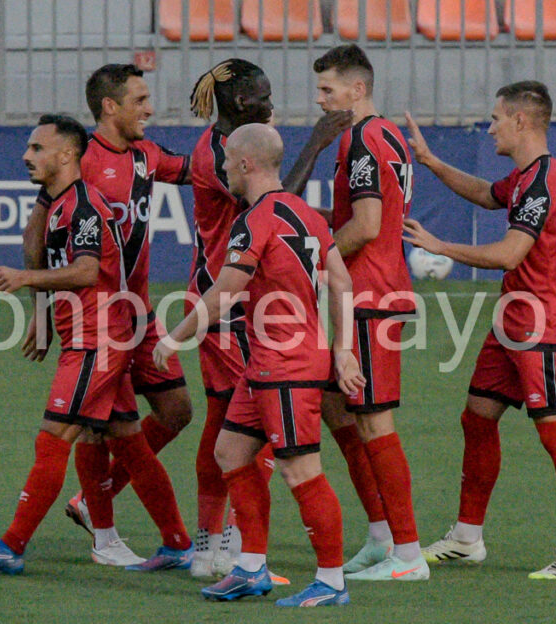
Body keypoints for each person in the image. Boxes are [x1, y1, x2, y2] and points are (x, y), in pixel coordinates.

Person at [0, 114, 190, 574]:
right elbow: (43, 246)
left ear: (66, 155)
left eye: (37, 148)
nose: (27, 155)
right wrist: (42, 310)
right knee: (130, 444)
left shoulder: (83, 207)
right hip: (96, 338)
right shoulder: (62, 203)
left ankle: (11, 545)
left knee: (53, 438)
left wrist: (26, 279)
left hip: (96, 342)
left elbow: (86, 271)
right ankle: (178, 543)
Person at [153, 123, 363, 607]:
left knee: (301, 470)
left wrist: (175, 337)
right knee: (230, 452)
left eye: (227, 161)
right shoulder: (307, 215)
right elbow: (342, 282)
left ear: (246, 164)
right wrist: (342, 349)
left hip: (285, 365)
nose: (222, 168)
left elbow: (225, 290)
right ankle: (252, 565)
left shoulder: (254, 219)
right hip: (269, 363)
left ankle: (331, 581)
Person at [402, 81, 556, 579]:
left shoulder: (543, 182)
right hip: (512, 324)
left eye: (495, 118)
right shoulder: (531, 176)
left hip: (542, 328)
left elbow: (509, 253)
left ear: (521, 122)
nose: (489, 128)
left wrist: (443, 247)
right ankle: (467, 538)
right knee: (478, 418)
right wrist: (432, 163)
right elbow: (488, 196)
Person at [23, 64, 197, 569]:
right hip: (97, 319)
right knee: (101, 427)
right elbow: (38, 232)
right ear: (110, 107)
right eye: (140, 99)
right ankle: (105, 535)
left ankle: (89, 502)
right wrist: (38, 308)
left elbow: (201, 171)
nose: (150, 108)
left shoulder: (146, 155)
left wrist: (232, 123)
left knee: (177, 410)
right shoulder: (81, 161)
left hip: (138, 312)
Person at [185, 57, 352, 579]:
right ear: (238, 102)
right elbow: (276, 202)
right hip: (233, 313)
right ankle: (227, 546)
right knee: (233, 444)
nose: (272, 101)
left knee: (249, 447)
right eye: (262, 94)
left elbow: (276, 207)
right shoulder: (225, 158)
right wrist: (317, 145)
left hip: (263, 331)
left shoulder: (268, 206)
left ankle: (244, 552)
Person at [311, 44, 428, 581]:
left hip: (370, 297)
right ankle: (381, 536)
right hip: (363, 295)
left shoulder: (362, 140)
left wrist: (312, 257)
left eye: (328, 90)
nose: (321, 100)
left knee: (374, 421)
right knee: (340, 412)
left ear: (358, 90)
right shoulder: (383, 137)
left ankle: (408, 553)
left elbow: (366, 225)